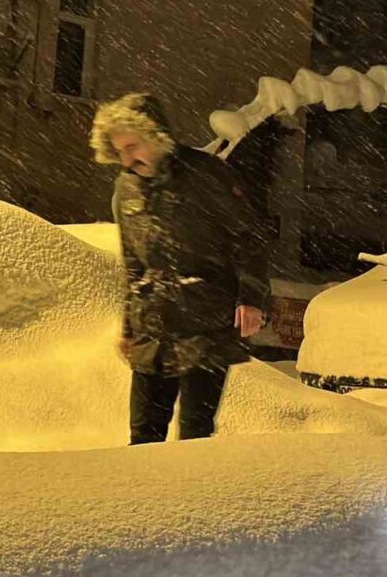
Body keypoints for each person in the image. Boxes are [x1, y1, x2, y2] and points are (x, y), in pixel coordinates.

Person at [89, 92, 269, 444]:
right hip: (152, 322)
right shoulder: (126, 188)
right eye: (119, 151)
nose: (127, 159)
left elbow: (249, 236)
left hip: (205, 319)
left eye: (133, 146)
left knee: (195, 432)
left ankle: (193, 482)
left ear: (156, 136)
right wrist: (129, 327)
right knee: (143, 433)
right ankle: (143, 483)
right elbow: (133, 261)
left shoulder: (206, 174)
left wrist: (251, 298)